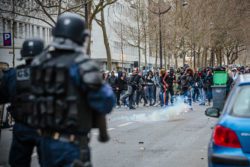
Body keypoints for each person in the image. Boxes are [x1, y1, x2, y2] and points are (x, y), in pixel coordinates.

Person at [28, 13, 115, 167]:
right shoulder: (82, 64)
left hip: (43, 143)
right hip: (71, 145)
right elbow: (106, 102)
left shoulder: (39, 62)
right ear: (81, 37)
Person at [0, 39, 44, 167]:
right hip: (46, 127)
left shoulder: (12, 75)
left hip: (22, 127)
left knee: (18, 163)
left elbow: (2, 97)